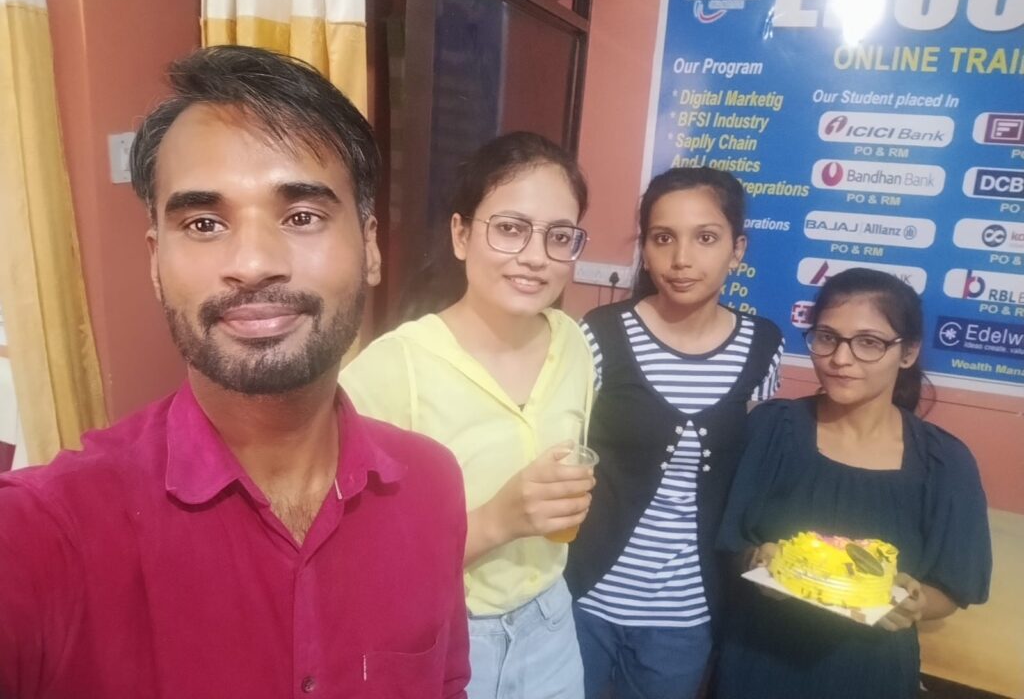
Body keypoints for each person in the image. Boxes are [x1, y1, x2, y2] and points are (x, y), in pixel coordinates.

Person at [0, 46, 470, 699]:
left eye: (301, 217)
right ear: (156, 262)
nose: (252, 264)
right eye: (204, 223)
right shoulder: (42, 533)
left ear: (369, 246)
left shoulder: (431, 485)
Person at [341, 132, 596, 699]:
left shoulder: (575, 344)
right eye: (510, 228)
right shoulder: (392, 369)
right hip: (444, 634)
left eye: (559, 236)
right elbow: (351, 558)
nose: (536, 257)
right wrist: (496, 521)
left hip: (551, 624)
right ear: (461, 235)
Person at [715, 267, 992, 699]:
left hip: (870, 672)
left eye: (868, 342)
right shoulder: (771, 429)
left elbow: (951, 588)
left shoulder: (945, 463)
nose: (841, 359)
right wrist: (757, 559)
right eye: (827, 337)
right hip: (758, 663)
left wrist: (914, 602)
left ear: (907, 352)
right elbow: (730, 542)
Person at [565, 167, 784, 699]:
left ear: (737, 249)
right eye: (663, 239)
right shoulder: (600, 334)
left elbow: (754, 473)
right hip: (584, 601)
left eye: (705, 238)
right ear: (645, 249)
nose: (681, 259)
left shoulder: (762, 345)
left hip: (685, 615)